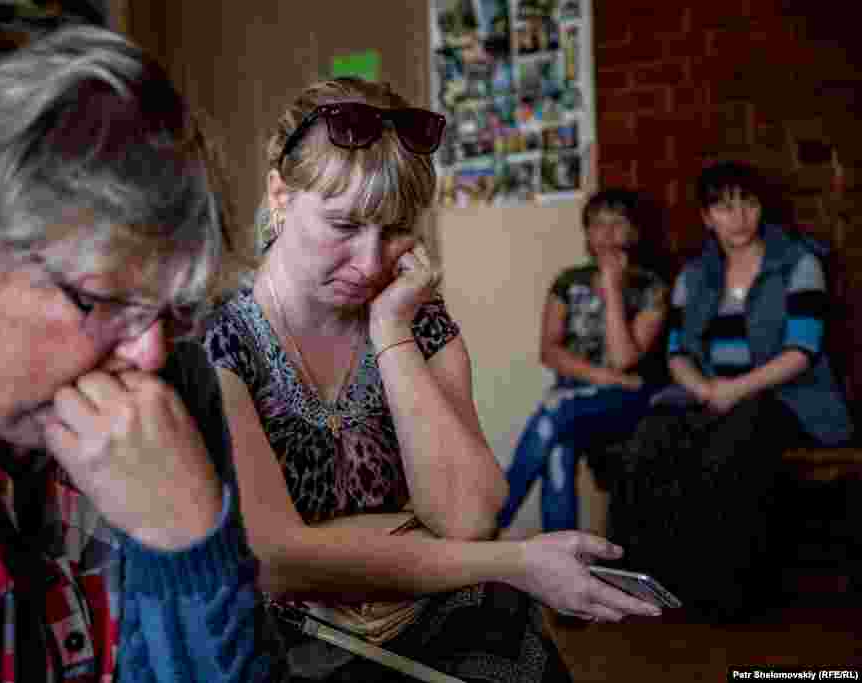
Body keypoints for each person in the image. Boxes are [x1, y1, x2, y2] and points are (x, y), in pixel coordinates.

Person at [0, 26, 284, 681]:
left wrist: (189, 543)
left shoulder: (172, 380)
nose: (152, 351)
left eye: (173, 311)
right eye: (104, 299)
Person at [203, 76, 662, 682]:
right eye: (344, 226)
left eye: (395, 230)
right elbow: (278, 558)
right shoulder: (217, 338)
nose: (370, 263)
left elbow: (467, 516)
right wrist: (509, 562)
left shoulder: (419, 322)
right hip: (289, 652)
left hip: (442, 625)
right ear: (281, 194)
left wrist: (391, 329)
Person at [604, 161, 853, 621]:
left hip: (784, 396)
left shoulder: (799, 263)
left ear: (762, 210)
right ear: (706, 217)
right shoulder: (695, 275)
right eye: (723, 207)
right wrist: (702, 388)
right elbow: (676, 351)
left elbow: (802, 350)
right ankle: (644, 589)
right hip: (708, 394)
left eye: (747, 205)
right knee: (647, 442)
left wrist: (734, 391)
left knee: (731, 443)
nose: (737, 218)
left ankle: (721, 597)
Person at [498, 189, 668, 533]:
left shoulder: (652, 287)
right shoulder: (568, 282)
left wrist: (612, 290)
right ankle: (564, 560)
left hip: (627, 399)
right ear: (587, 232)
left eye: (617, 223)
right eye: (597, 224)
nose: (606, 233)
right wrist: (605, 377)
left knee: (554, 410)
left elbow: (624, 360)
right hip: (583, 391)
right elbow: (550, 351)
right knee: (558, 446)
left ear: (633, 231)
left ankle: (491, 522)